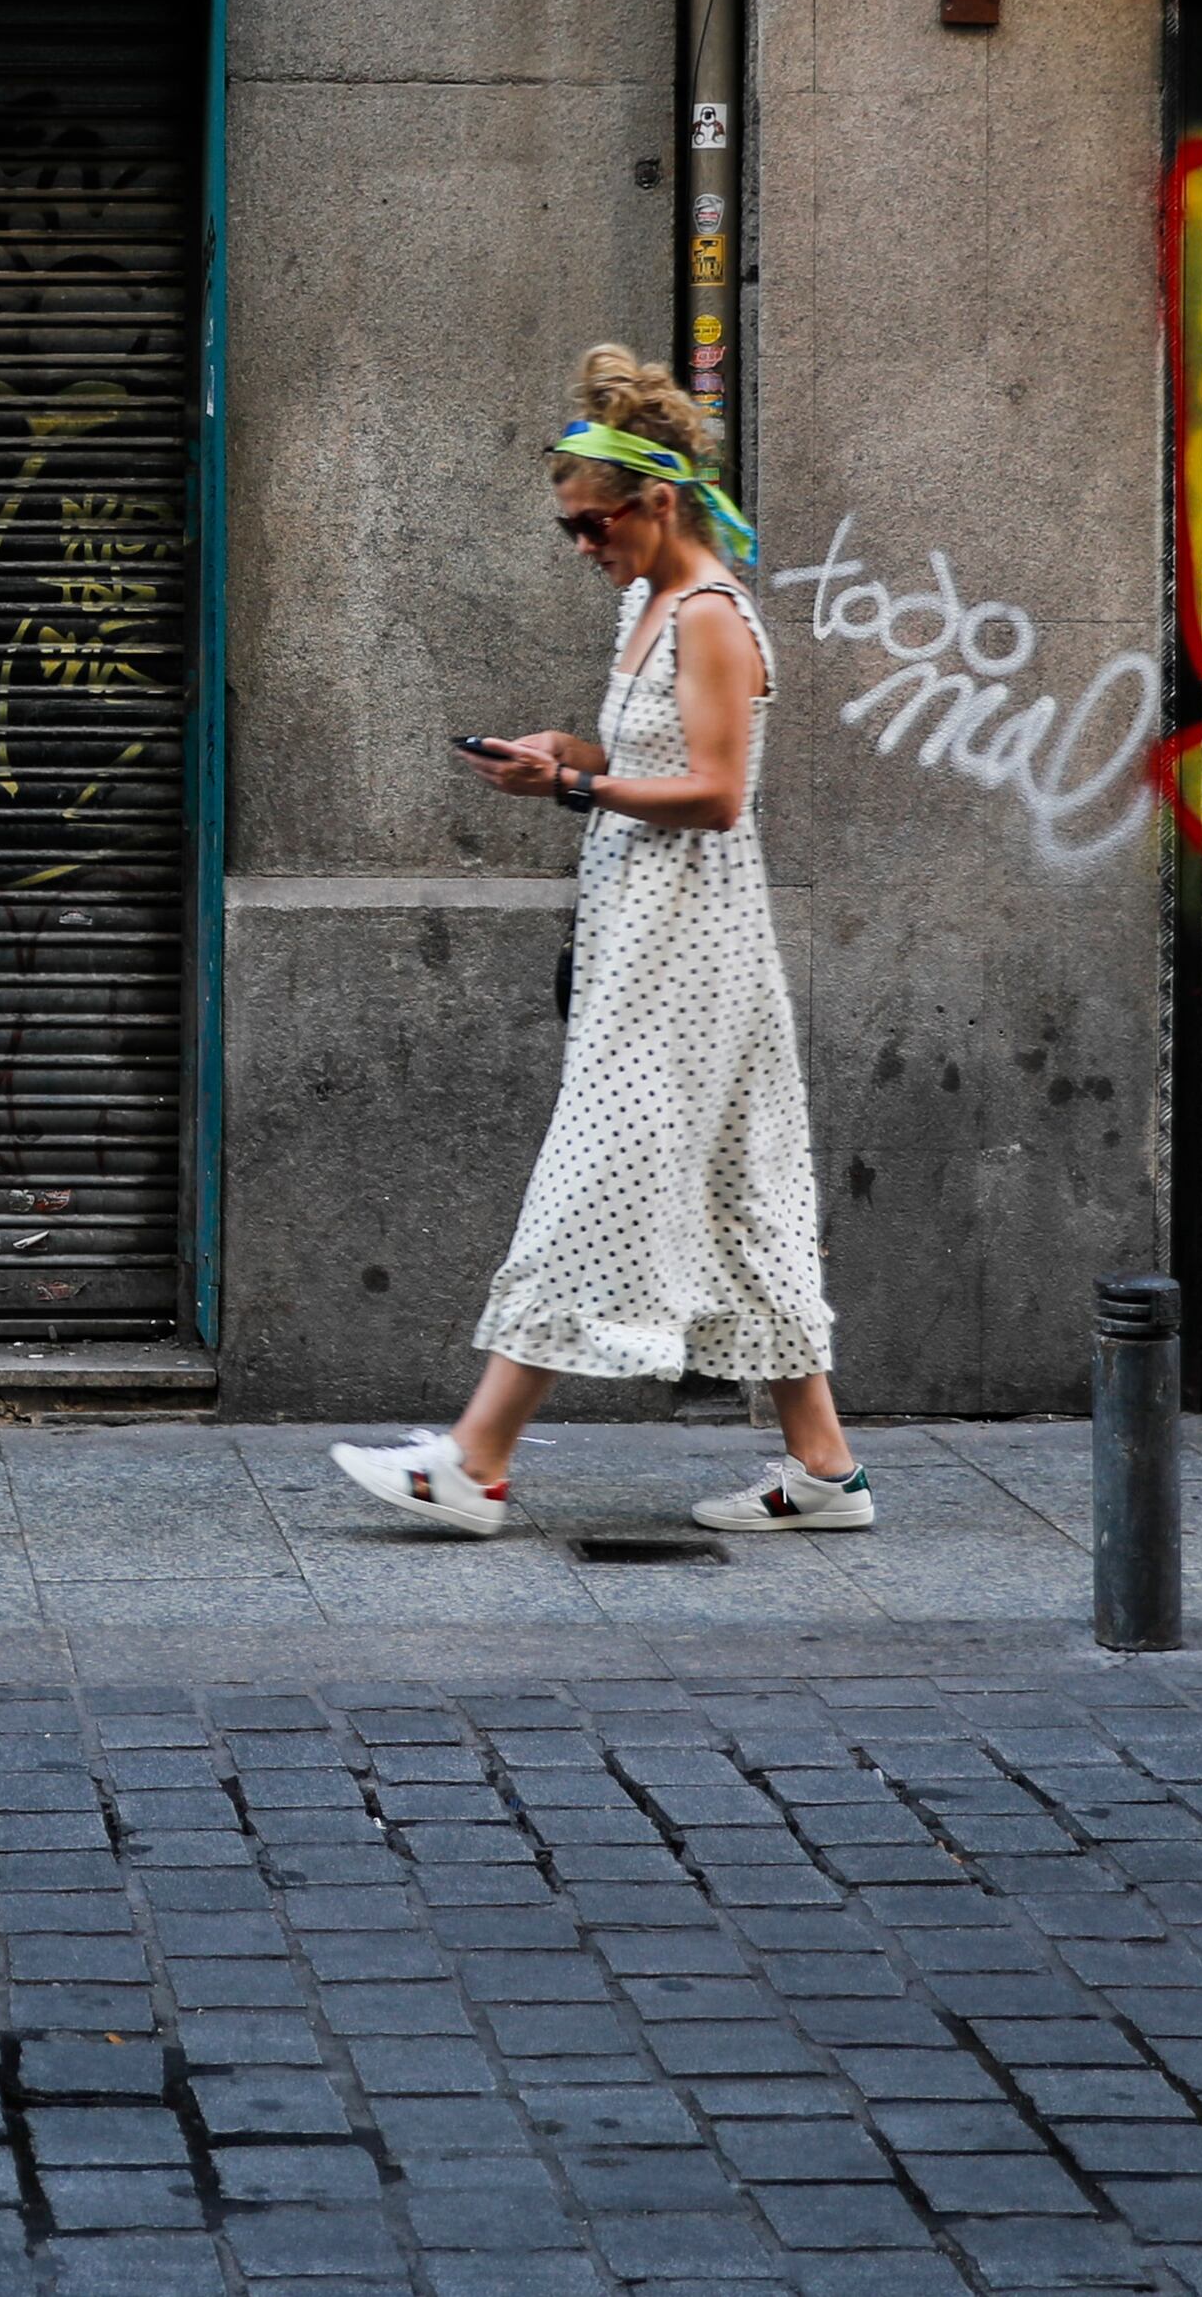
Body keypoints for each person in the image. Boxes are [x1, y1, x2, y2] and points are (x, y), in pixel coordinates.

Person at [330, 347, 869, 1541]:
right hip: (641, 927)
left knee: (595, 1178)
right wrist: (567, 749)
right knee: (735, 1194)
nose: (581, 548)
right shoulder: (645, 604)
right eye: (569, 530)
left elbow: (718, 793)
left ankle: (472, 1459)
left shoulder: (712, 618)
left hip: (691, 945)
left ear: (655, 503)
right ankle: (822, 1470)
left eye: (590, 526)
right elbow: (646, 755)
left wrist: (574, 789)